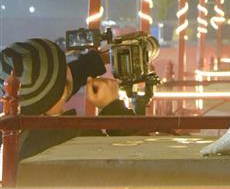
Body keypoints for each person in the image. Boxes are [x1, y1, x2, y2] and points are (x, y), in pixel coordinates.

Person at [0, 37, 135, 160]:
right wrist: (112, 107)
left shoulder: (10, 132)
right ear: (64, 91)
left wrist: (97, 60)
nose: (70, 67)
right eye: (65, 64)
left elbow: (54, 85)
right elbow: (138, 161)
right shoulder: (78, 136)